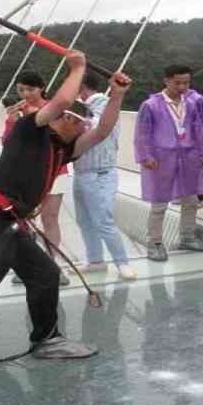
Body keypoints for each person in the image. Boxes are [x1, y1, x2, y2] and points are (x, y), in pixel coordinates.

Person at [0, 50, 132, 359]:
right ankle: (47, 341)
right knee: (44, 274)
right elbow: (61, 102)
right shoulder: (30, 130)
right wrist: (78, 68)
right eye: (81, 123)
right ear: (67, 119)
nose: (85, 129)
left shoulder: (62, 149)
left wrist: (117, 95)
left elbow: (103, 131)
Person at [134, 65, 203, 261]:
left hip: (189, 156)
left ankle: (187, 237)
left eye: (186, 82)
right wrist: (145, 156)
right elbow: (142, 133)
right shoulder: (151, 105)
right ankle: (154, 243)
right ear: (166, 81)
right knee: (159, 203)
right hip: (162, 158)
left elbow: (200, 128)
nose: (182, 86)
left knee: (191, 200)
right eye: (177, 82)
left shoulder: (193, 102)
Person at [3, 71, 71, 286]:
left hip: (55, 170)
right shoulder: (17, 112)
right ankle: (28, 265)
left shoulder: (55, 109)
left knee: (50, 218)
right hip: (27, 174)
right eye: (21, 90)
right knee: (25, 221)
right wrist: (11, 122)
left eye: (30, 89)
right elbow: (6, 143)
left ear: (42, 87)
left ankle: (53, 266)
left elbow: (65, 138)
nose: (26, 94)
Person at [75, 71, 136, 280]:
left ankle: (122, 263)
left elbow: (101, 127)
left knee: (103, 220)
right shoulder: (79, 105)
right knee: (84, 220)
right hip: (82, 171)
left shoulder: (101, 103)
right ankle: (96, 261)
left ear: (81, 85)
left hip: (100, 172)